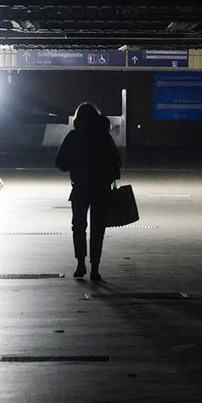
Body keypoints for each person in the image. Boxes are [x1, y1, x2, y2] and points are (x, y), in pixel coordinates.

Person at [52, 101, 122, 280]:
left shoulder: (74, 136)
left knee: (79, 227)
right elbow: (117, 163)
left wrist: (76, 164)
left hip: (80, 187)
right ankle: (95, 268)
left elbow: (60, 162)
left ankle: (80, 264)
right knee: (98, 229)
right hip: (102, 188)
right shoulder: (104, 136)